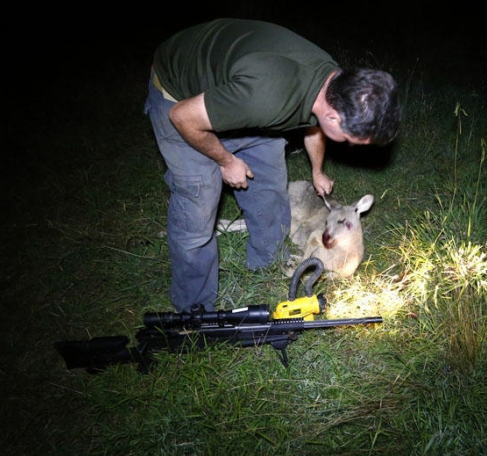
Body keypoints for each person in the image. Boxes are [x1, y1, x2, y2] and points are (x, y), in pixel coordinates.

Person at [144, 18, 400, 313]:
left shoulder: (331, 84)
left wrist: (317, 170)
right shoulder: (265, 95)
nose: (352, 146)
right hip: (180, 93)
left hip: (241, 90)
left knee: (269, 182)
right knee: (198, 200)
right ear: (334, 117)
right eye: (351, 139)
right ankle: (193, 310)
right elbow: (183, 116)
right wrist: (226, 161)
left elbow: (311, 121)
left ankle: (266, 261)